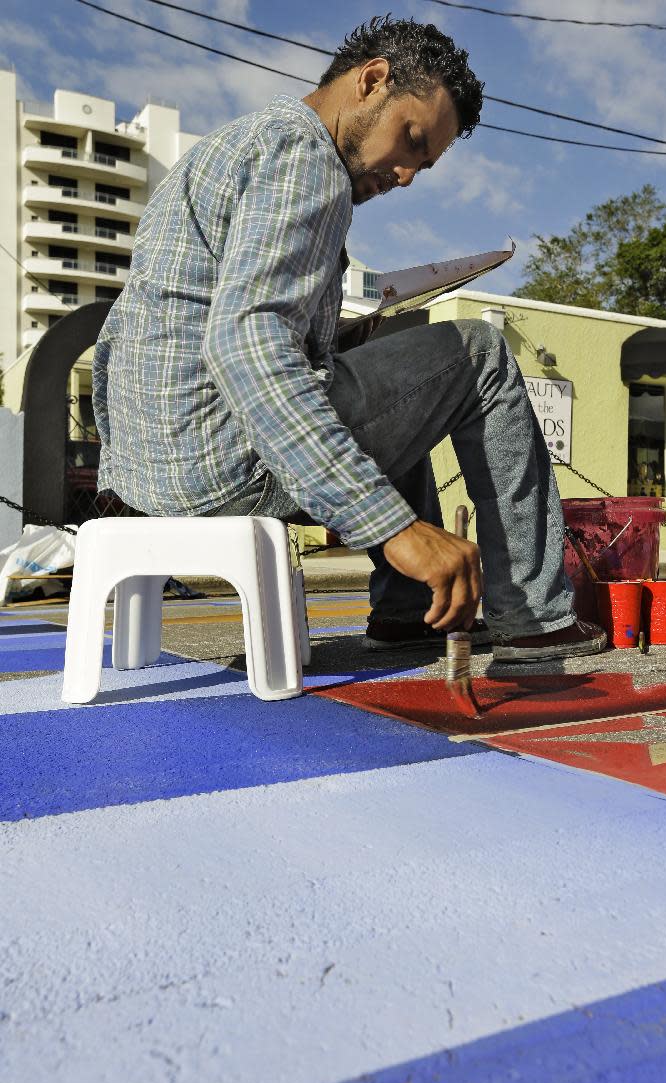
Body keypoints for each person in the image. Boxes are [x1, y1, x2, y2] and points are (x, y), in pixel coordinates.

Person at [93, 15, 606, 662]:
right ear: (370, 80)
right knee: (480, 353)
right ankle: (534, 616)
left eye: (423, 163)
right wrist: (392, 526)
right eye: (411, 138)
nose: (407, 174)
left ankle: (406, 611)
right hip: (227, 457)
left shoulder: (240, 143)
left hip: (151, 467)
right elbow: (247, 342)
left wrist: (340, 337)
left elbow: (217, 321)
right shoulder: (308, 157)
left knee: (386, 365)